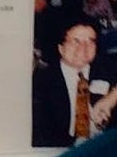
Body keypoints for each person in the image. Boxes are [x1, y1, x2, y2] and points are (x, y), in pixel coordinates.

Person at [31, 19, 116, 147]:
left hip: (105, 147)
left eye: (90, 41)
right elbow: (40, 133)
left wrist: (111, 98)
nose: (83, 48)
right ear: (60, 48)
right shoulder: (43, 80)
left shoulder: (106, 67)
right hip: (62, 149)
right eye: (76, 41)